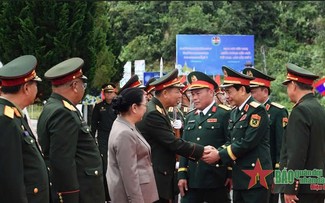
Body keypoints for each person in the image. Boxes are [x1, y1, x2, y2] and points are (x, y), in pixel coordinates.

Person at [37, 57, 106, 203]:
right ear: (75, 85)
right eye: (83, 84)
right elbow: (62, 162)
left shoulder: (56, 106)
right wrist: (70, 197)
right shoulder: (62, 112)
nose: (83, 89)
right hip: (81, 194)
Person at [202, 66, 273, 203]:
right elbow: (231, 140)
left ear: (242, 89)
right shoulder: (234, 112)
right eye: (224, 92)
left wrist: (219, 155)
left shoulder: (258, 110)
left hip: (256, 178)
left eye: (229, 92)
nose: (226, 97)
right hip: (240, 178)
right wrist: (217, 150)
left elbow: (248, 142)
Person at [136, 69, 207, 203]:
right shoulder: (153, 113)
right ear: (165, 93)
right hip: (155, 177)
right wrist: (202, 151)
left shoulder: (158, 110)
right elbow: (173, 143)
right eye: (177, 91)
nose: (180, 95)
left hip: (160, 175)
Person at [0, 55, 49, 202]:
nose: (37, 89)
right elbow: (10, 180)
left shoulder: (14, 115)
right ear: (26, 88)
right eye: (36, 84)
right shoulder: (5, 119)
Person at [177, 71, 231, 203]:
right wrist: (182, 174)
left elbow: (231, 142)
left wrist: (230, 172)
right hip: (192, 179)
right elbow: (184, 146)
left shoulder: (224, 114)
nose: (194, 98)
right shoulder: (189, 116)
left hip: (216, 179)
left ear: (211, 93)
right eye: (192, 94)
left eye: (198, 93)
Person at [279, 63, 325, 203]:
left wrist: (290, 187)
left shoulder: (300, 111)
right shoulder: (319, 109)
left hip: (301, 189)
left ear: (293, 85)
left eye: (288, 86)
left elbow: (296, 154)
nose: (288, 90)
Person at [243, 67, 289, 203]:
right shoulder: (246, 111)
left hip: (268, 171)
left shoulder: (277, 112)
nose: (250, 95)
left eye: (253, 92)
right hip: (248, 170)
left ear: (265, 91)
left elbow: (282, 146)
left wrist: (277, 174)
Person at [107, 87, 159, 203]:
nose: (146, 109)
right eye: (145, 105)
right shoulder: (125, 133)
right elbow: (129, 175)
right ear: (134, 108)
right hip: (136, 196)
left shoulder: (125, 124)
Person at [90, 82, 117, 201]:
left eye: (111, 92)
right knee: (105, 164)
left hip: (116, 136)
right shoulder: (99, 106)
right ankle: (106, 192)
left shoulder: (117, 106)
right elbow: (94, 124)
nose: (109, 95)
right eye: (107, 92)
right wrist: (91, 140)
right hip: (103, 137)